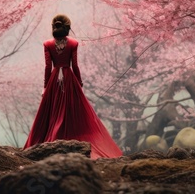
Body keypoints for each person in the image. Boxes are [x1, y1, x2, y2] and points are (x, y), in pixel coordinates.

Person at [23, 14, 122, 159]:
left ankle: (52, 140)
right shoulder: (73, 43)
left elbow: (47, 67)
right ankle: (72, 138)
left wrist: (45, 87)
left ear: (53, 27)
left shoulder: (47, 44)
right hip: (69, 79)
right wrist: (79, 83)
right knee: (73, 111)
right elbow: (75, 65)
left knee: (52, 111)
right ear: (68, 28)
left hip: (54, 80)